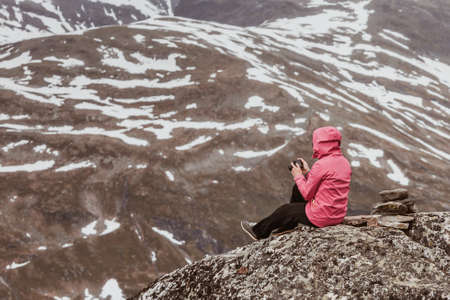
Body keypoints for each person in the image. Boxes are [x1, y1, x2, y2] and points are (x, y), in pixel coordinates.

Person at [241, 126, 352, 240]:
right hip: (336, 214)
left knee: (286, 210)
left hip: (322, 217)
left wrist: (298, 175)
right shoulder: (344, 162)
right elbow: (326, 184)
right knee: (297, 189)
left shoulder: (322, 164)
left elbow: (307, 194)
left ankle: (258, 232)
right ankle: (289, 225)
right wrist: (308, 173)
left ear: (320, 143)